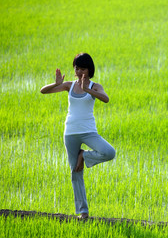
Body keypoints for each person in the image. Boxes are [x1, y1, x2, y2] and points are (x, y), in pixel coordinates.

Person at [40, 53, 116, 219]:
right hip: (70, 132)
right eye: (77, 68)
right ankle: (83, 212)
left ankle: (85, 156)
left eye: (83, 68)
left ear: (89, 70)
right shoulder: (69, 85)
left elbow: (106, 99)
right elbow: (43, 91)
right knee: (75, 172)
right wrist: (56, 83)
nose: (79, 71)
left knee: (109, 152)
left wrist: (87, 89)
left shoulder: (95, 86)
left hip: (89, 131)